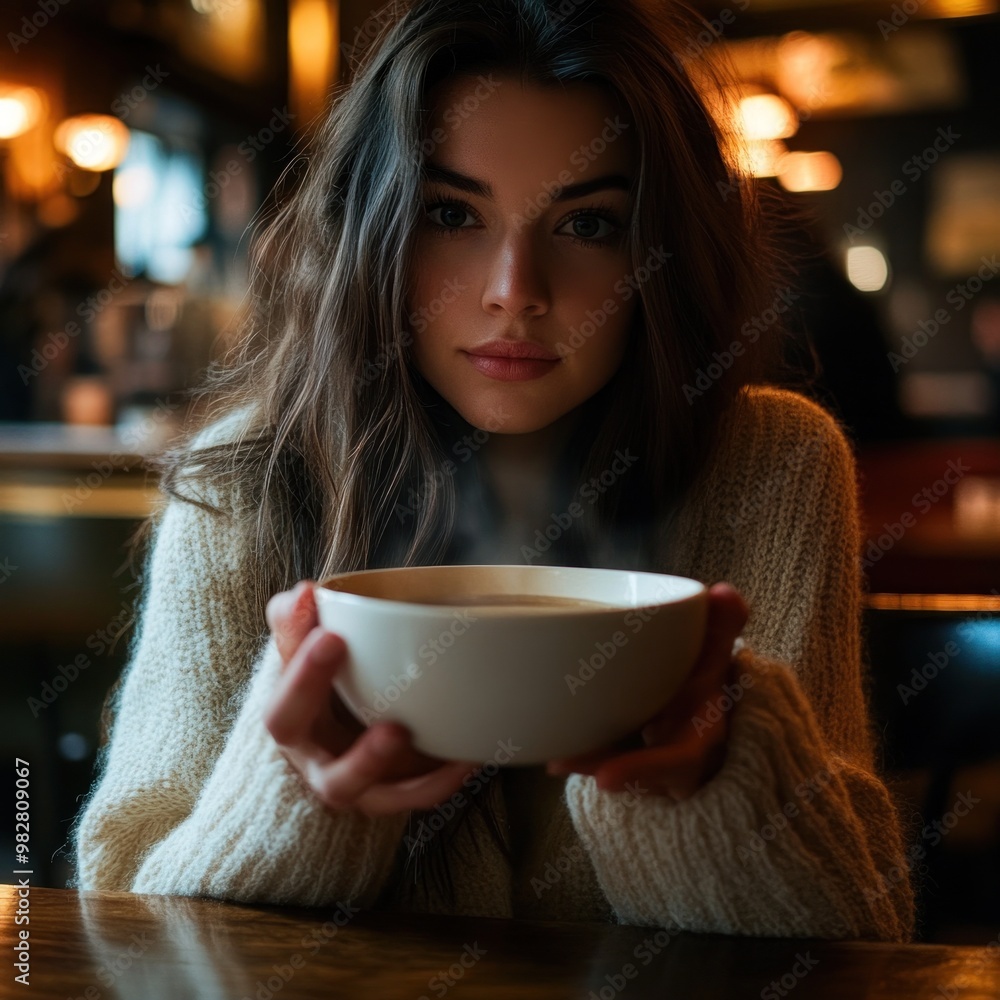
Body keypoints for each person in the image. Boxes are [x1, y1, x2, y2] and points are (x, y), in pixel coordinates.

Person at [68, 0, 915, 940]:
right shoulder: (243, 484)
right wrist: (295, 806)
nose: (516, 288)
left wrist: (716, 789)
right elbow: (123, 925)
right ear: (369, 236)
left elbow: (863, 936)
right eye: (450, 213)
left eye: (588, 224)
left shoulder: (773, 468)